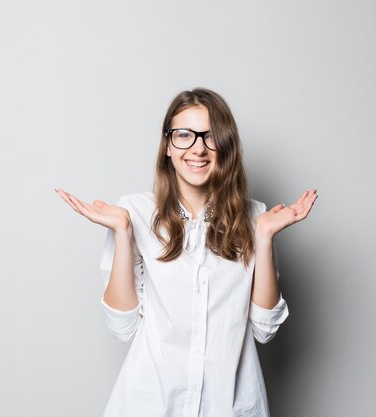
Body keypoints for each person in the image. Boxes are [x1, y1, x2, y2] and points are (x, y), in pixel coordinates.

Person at [55, 88, 317, 417]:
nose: (198, 148)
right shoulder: (133, 212)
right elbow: (122, 328)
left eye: (210, 137)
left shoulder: (257, 218)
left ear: (226, 147)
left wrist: (263, 237)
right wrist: (123, 232)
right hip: (149, 406)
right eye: (184, 135)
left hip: (229, 408)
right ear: (167, 146)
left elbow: (265, 329)